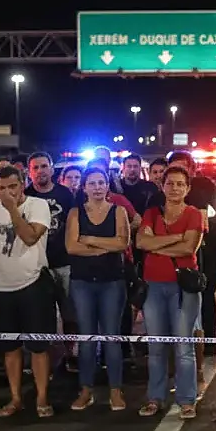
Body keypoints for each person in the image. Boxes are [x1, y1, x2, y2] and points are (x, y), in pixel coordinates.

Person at [0, 165, 58, 419]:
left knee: (38, 346)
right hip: (1, 288)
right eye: (1, 188)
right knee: (9, 348)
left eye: (12, 186)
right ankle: (15, 398)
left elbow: (30, 237)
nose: (6, 192)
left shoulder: (37, 205)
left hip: (33, 284)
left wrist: (12, 209)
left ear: (22, 184)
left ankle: (42, 397)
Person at [136, 166, 203, 420]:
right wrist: (175, 239)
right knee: (156, 346)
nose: (174, 188)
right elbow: (141, 243)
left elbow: (189, 249)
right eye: (170, 183)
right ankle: (155, 398)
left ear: (187, 188)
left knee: (183, 346)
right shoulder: (151, 213)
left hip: (182, 287)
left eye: (180, 184)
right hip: (153, 285)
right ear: (162, 186)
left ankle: (187, 400)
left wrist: (157, 245)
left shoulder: (194, 214)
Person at [66, 167, 131, 412]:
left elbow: (122, 242)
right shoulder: (75, 213)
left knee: (112, 337)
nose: (97, 187)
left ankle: (116, 390)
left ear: (107, 186)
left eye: (101, 182)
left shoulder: (119, 211)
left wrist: (89, 239)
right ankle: (86, 390)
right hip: (82, 281)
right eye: (92, 183)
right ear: (84, 188)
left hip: (112, 282)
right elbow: (71, 246)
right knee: (87, 338)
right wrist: (106, 246)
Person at [26, 152, 78, 335]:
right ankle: (48, 356)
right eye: (35, 167)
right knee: (41, 314)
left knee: (70, 312)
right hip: (36, 265)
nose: (40, 171)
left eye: (44, 166)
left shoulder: (65, 194)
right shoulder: (25, 196)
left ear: (52, 168)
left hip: (64, 262)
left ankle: (71, 353)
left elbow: (73, 227)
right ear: (29, 172)